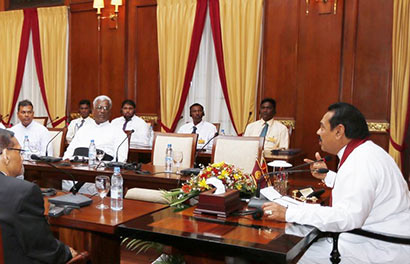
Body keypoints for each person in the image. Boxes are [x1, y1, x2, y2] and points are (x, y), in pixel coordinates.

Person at [262, 102, 410, 263]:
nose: (318, 132)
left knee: (289, 253)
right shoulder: (366, 152)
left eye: (322, 127)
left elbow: (347, 217)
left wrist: (288, 213)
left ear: (339, 131)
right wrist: (328, 176)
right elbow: (362, 188)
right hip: (378, 236)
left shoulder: (360, 161)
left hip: (379, 246)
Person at [0, 128, 76, 263]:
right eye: (19, 151)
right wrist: (68, 252)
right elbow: (42, 247)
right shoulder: (22, 192)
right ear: (6, 155)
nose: (22, 158)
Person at [63, 95, 129, 193]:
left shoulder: (118, 132)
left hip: (99, 174)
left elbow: (120, 160)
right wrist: (66, 161)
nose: (102, 111)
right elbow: (69, 152)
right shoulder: (83, 129)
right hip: (75, 171)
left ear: (110, 112)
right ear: (93, 111)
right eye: (99, 107)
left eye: (105, 108)